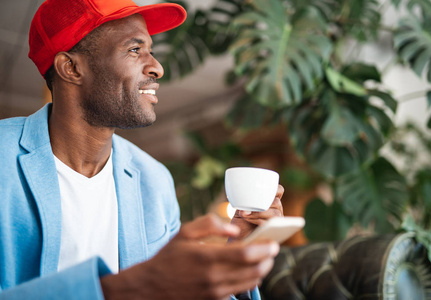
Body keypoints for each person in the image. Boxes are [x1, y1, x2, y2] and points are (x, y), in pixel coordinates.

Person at [0, 0, 285, 299]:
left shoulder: (154, 179)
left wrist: (237, 253)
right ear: (71, 68)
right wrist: (126, 288)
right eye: (135, 50)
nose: (157, 67)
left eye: (151, 50)